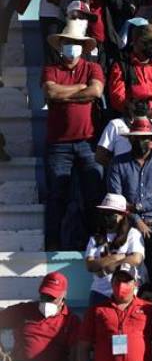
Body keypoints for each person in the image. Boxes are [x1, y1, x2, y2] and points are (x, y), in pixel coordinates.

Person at [41, 22, 105, 250]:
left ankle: (95, 244)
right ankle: (52, 244)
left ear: (83, 47)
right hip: (58, 145)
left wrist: (63, 95)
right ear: (61, 45)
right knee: (57, 195)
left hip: (87, 142)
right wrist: (80, 89)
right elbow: (50, 92)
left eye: (76, 43)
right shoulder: (51, 69)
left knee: (93, 195)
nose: (72, 47)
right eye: (68, 43)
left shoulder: (93, 68)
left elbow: (95, 91)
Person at [106, 117, 152, 295]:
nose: (141, 142)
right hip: (127, 225)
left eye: (145, 138)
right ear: (130, 139)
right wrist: (137, 220)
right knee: (126, 277)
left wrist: (136, 206)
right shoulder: (117, 163)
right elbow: (117, 199)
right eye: (137, 138)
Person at [0, 273, 80, 361]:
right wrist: (1, 353)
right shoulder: (24, 310)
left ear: (63, 297)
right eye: (44, 296)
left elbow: (76, 349)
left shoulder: (71, 320)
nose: (46, 301)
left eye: (52, 298)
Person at [84, 194, 146, 307]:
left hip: (126, 293)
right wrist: (118, 257)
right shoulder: (96, 237)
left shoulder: (133, 234)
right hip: (100, 293)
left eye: (110, 214)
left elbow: (136, 259)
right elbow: (90, 265)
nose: (106, 217)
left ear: (122, 215)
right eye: (104, 213)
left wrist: (109, 267)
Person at [108, 24, 152, 118]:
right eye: (147, 42)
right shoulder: (121, 66)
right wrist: (143, 113)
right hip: (133, 122)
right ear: (134, 43)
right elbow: (117, 97)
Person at [96, 100, 152, 166]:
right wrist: (120, 169)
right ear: (128, 103)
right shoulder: (115, 124)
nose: (142, 104)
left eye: (145, 101)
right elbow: (100, 156)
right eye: (137, 101)